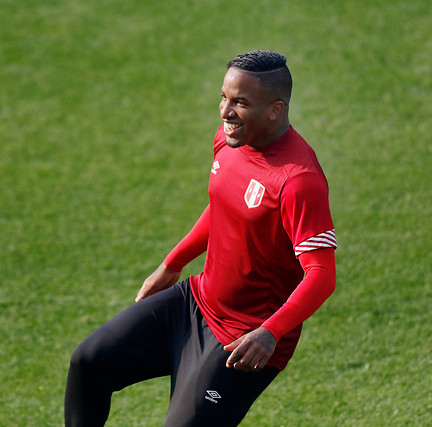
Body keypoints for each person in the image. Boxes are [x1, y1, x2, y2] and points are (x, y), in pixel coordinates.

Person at [64, 50, 337, 426]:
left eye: (241, 102)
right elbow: (223, 207)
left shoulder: (298, 180)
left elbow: (321, 273)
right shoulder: (229, 142)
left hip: (245, 338)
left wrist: (270, 333)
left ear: (275, 110)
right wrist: (172, 264)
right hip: (195, 302)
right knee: (88, 361)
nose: (226, 111)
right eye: (224, 97)